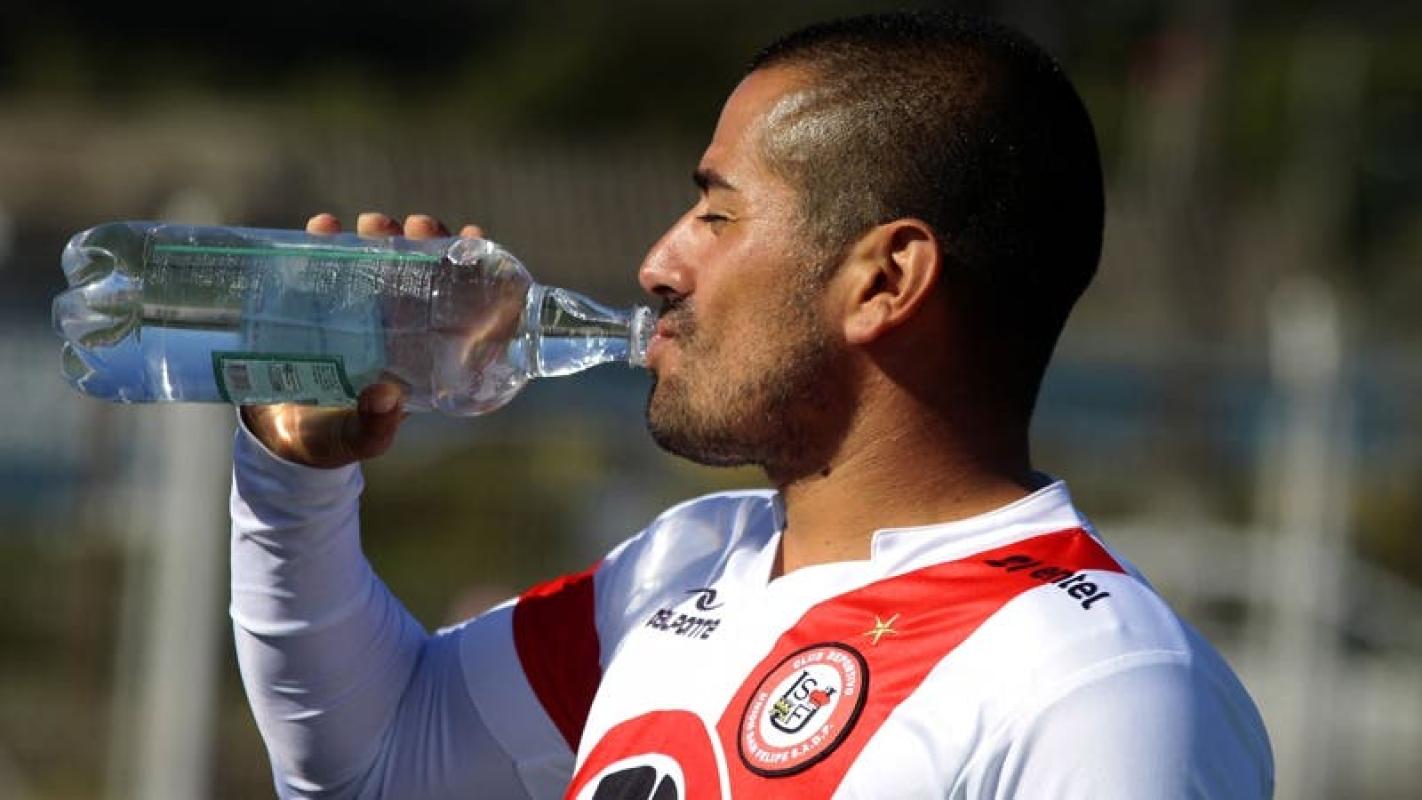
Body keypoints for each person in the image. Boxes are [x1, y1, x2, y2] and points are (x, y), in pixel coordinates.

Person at [231, 10, 1273, 799]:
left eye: (717, 214)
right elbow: (377, 762)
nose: (657, 264)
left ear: (885, 281)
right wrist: (296, 480)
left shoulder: (1101, 685)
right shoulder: (686, 565)